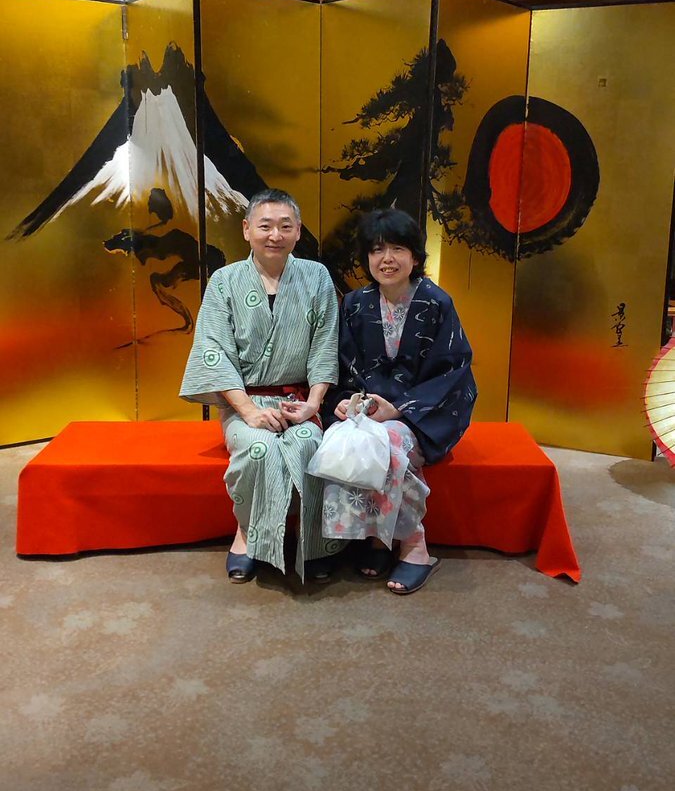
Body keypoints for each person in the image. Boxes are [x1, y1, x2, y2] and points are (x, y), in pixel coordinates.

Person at [180, 189, 343, 584]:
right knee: (259, 449)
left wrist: (313, 405)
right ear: (246, 229)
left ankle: (311, 541)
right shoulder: (224, 281)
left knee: (307, 445)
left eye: (285, 226)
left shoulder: (316, 276)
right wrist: (249, 411)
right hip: (245, 402)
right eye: (265, 226)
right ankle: (247, 533)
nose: (275, 235)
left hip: (298, 401)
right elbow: (214, 350)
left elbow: (325, 345)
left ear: (298, 231)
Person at [322, 208, 477, 596]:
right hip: (370, 412)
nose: (386, 259)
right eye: (377, 250)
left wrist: (401, 410)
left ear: (415, 256)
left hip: (426, 414)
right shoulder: (355, 304)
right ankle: (377, 540)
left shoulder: (436, 303)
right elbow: (341, 366)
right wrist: (343, 401)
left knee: (389, 440)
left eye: (397, 249)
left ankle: (414, 549)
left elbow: (453, 368)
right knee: (354, 437)